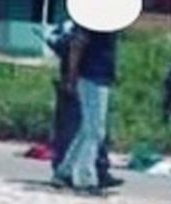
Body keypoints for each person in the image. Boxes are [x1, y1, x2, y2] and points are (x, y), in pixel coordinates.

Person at [46, 21, 122, 189]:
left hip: (100, 77)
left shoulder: (109, 22)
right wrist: (72, 77)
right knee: (95, 131)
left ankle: (64, 172)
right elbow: (77, 46)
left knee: (87, 130)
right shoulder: (91, 21)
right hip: (91, 76)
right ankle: (85, 177)